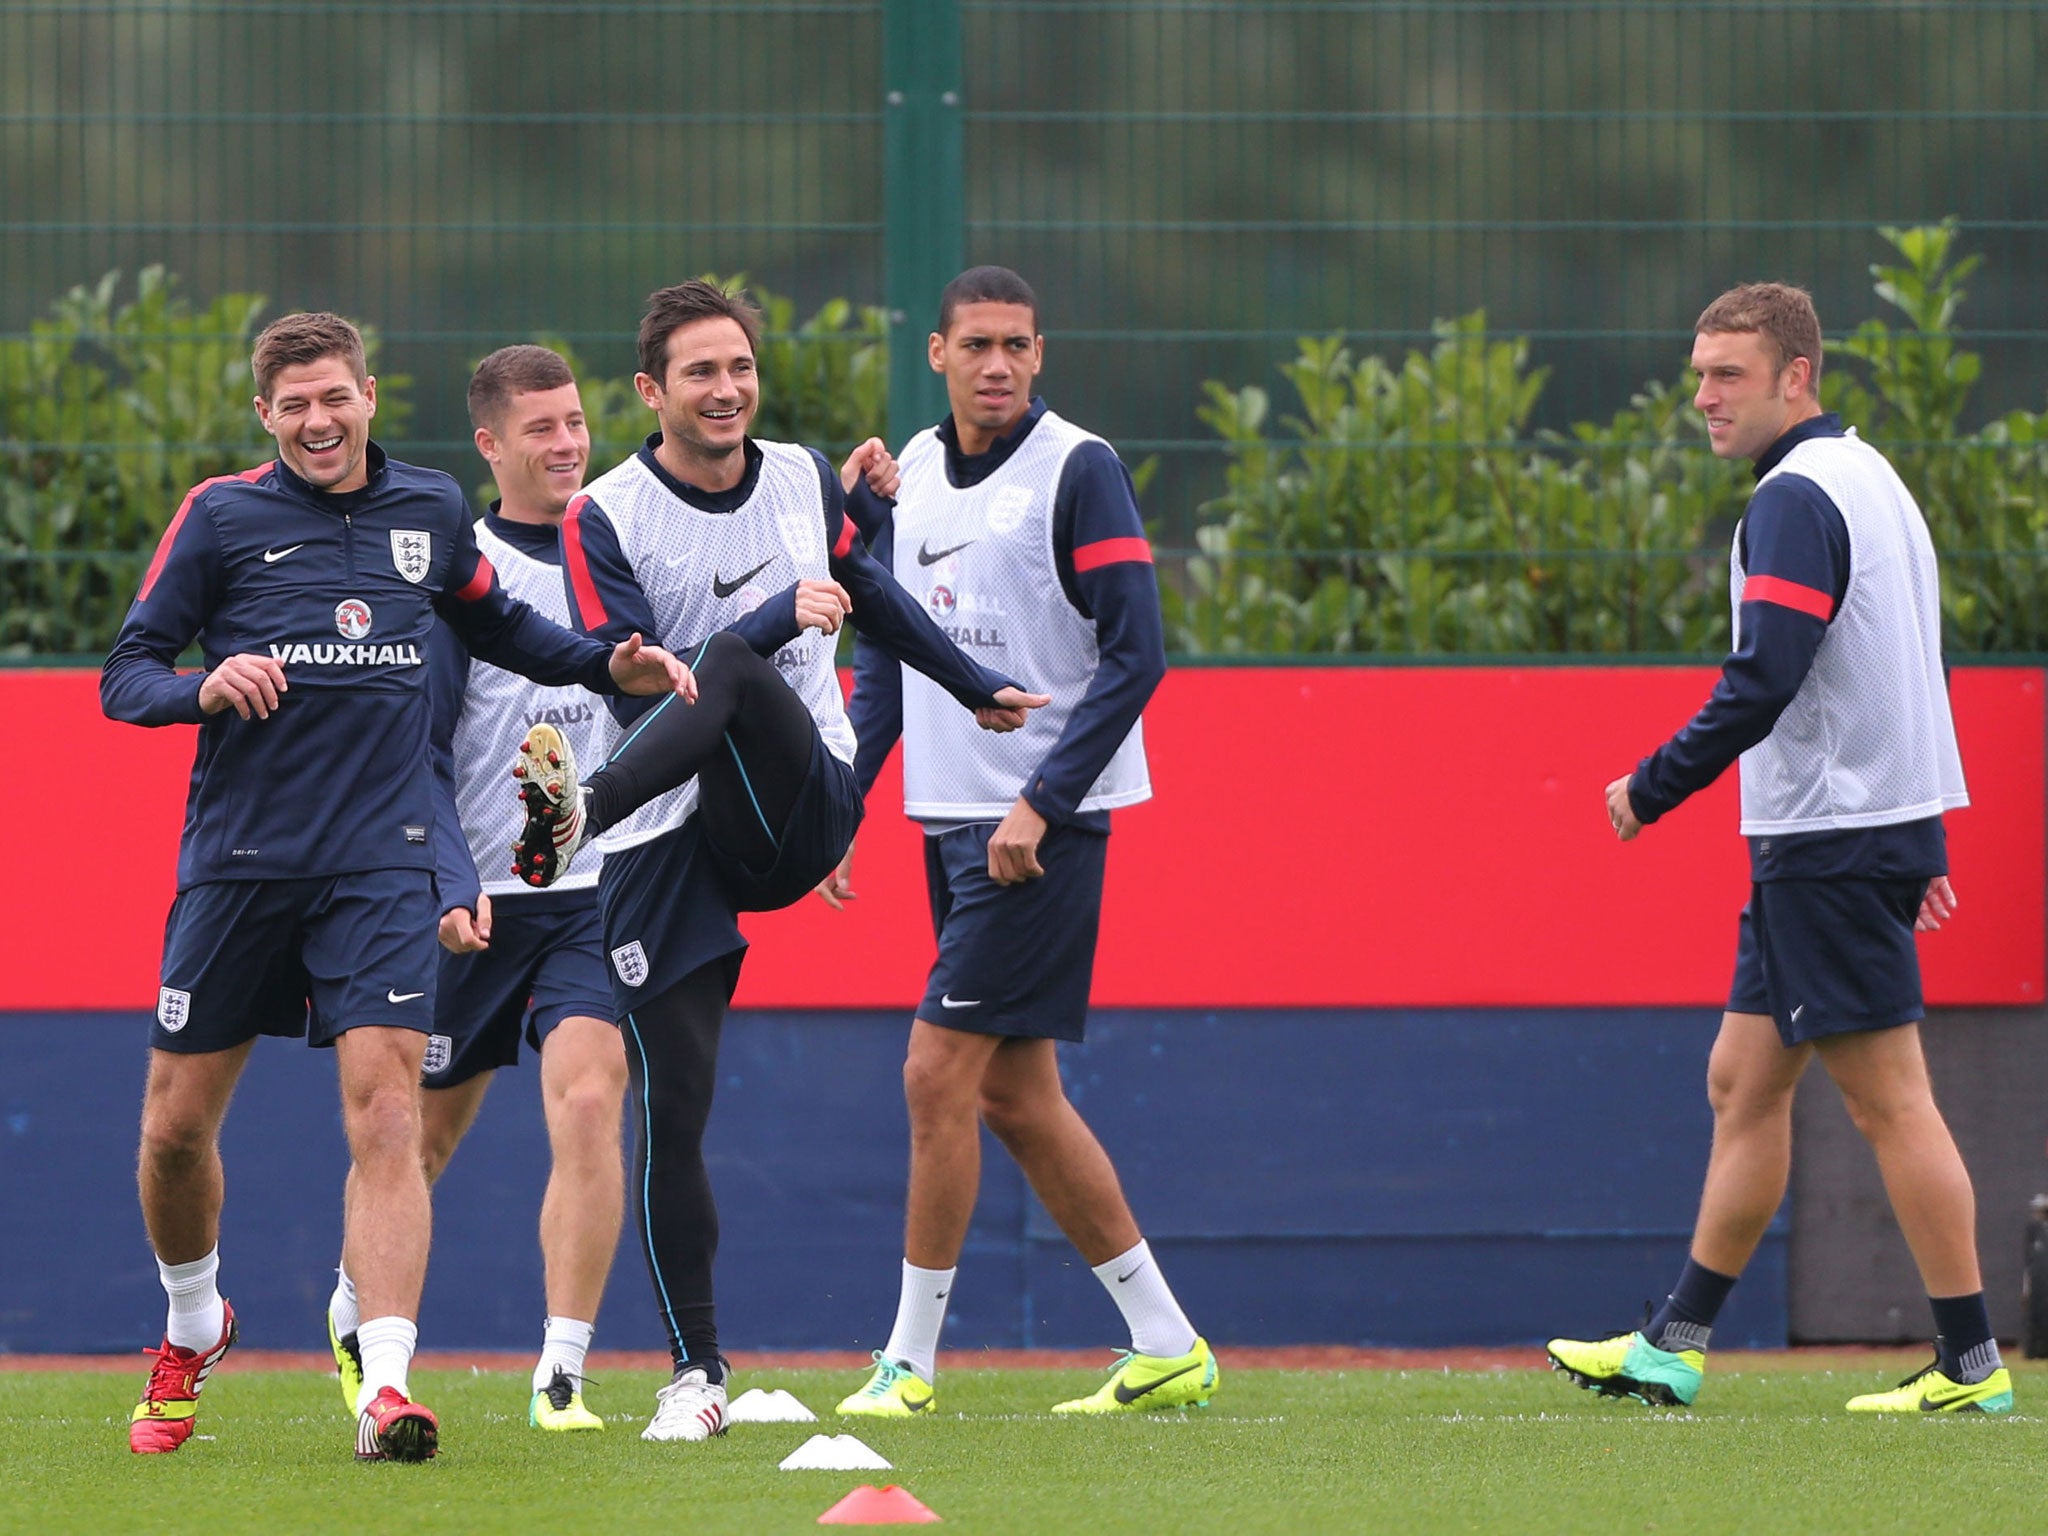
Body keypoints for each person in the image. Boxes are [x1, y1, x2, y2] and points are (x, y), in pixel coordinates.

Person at [101, 313, 690, 1462]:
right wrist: (202, 685)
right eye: (295, 406)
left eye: (337, 397)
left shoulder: (426, 510)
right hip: (240, 865)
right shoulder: (222, 517)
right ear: (266, 418)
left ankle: (384, 1387)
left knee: (384, 1117)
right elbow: (126, 674)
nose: (319, 421)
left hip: (381, 865)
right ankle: (191, 1323)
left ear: (370, 396)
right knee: (174, 1130)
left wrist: (600, 661)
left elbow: (503, 623)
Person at [510, 278, 1047, 1443]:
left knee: (749, 674)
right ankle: (694, 1374)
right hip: (670, 841)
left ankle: (575, 816)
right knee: (675, 1111)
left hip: (796, 807)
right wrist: (765, 621)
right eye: (699, 373)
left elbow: (872, 597)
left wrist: (972, 683)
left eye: (740, 368)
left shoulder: (804, 478)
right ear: (652, 393)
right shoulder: (602, 513)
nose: (726, 389)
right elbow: (617, 668)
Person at [1546, 283, 2009, 1415]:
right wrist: (1922, 828)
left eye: (1726, 376)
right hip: (1853, 832)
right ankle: (1674, 1343)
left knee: (1888, 1101)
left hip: (1827, 840)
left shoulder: (1796, 498)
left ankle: (1968, 1365)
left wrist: (1650, 785)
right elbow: (1899, 665)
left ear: (1794, 375)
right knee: (1739, 1084)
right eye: (1698, 371)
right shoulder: (1868, 476)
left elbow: (1768, 675)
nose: (1701, 396)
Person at [824, 266, 1217, 1418]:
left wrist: (1042, 802)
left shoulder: (1079, 468)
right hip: (950, 821)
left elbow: (1136, 654)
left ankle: (907, 1365)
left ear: (1039, 356)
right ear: (936, 354)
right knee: (1016, 1098)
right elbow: (887, 658)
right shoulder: (912, 475)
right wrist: (844, 806)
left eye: (1016, 345)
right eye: (975, 344)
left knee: (933, 1074)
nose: (996, 363)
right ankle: (1164, 1340)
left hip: (1038, 830)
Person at [324, 346, 629, 1434]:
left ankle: (560, 1377)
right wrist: (449, 878)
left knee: (591, 1100)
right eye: (540, 428)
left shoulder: (619, 547)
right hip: (474, 906)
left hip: (595, 896)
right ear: (490, 447)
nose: (566, 444)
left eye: (577, 421)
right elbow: (420, 750)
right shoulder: (460, 578)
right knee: (416, 1142)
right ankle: (360, 1311)